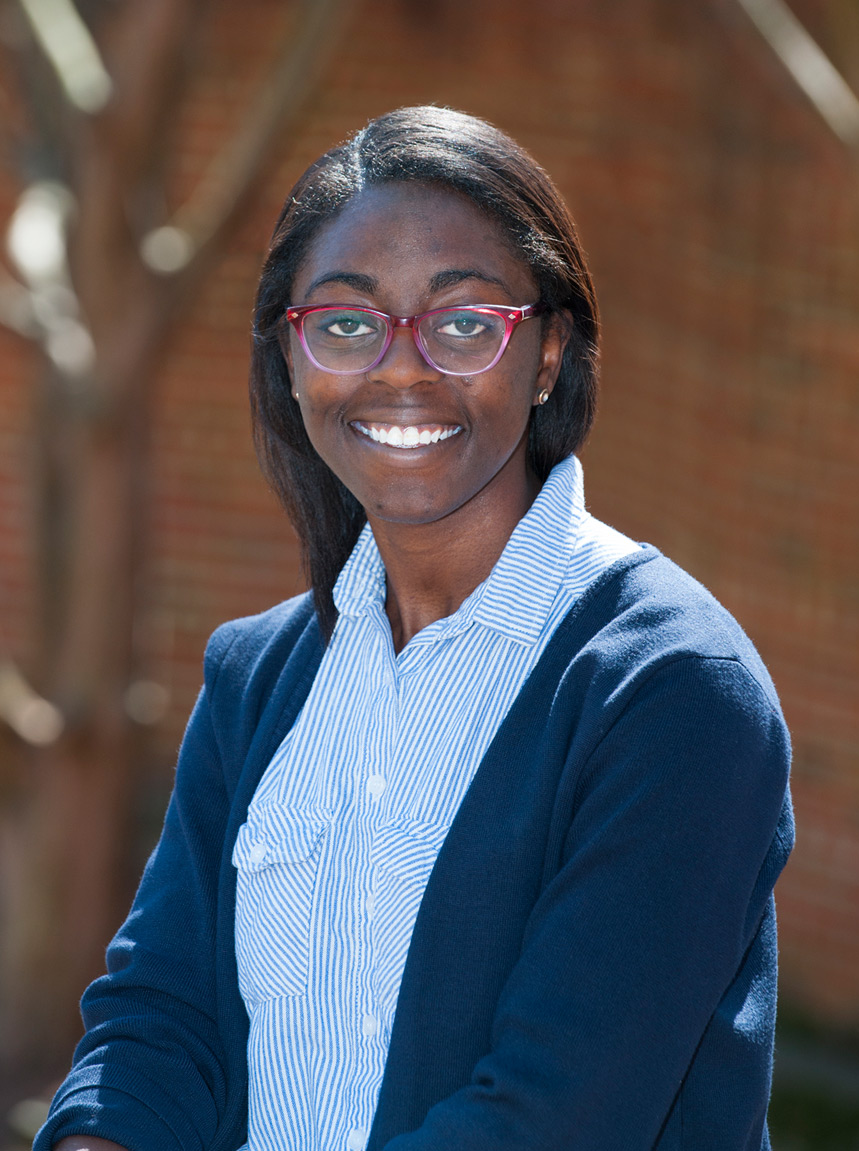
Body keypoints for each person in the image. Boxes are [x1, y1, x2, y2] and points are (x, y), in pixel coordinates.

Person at [37, 106, 794, 1151]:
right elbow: (159, 1021)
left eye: (464, 321)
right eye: (345, 323)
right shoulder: (257, 679)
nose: (401, 368)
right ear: (291, 361)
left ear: (547, 354)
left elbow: (554, 1114)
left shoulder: (671, 689)